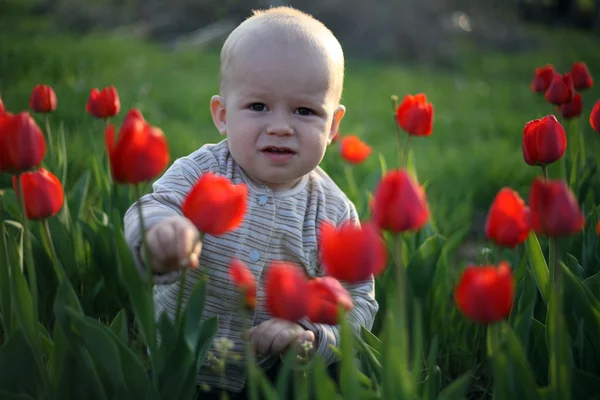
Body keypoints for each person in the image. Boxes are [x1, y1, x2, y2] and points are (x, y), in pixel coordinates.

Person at [123, 6, 378, 398]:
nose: (280, 125)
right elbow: (151, 207)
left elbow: (357, 300)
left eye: (305, 111)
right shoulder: (201, 171)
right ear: (223, 115)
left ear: (334, 127)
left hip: (272, 379)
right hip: (177, 363)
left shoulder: (333, 211)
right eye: (258, 106)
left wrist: (311, 335)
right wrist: (158, 233)